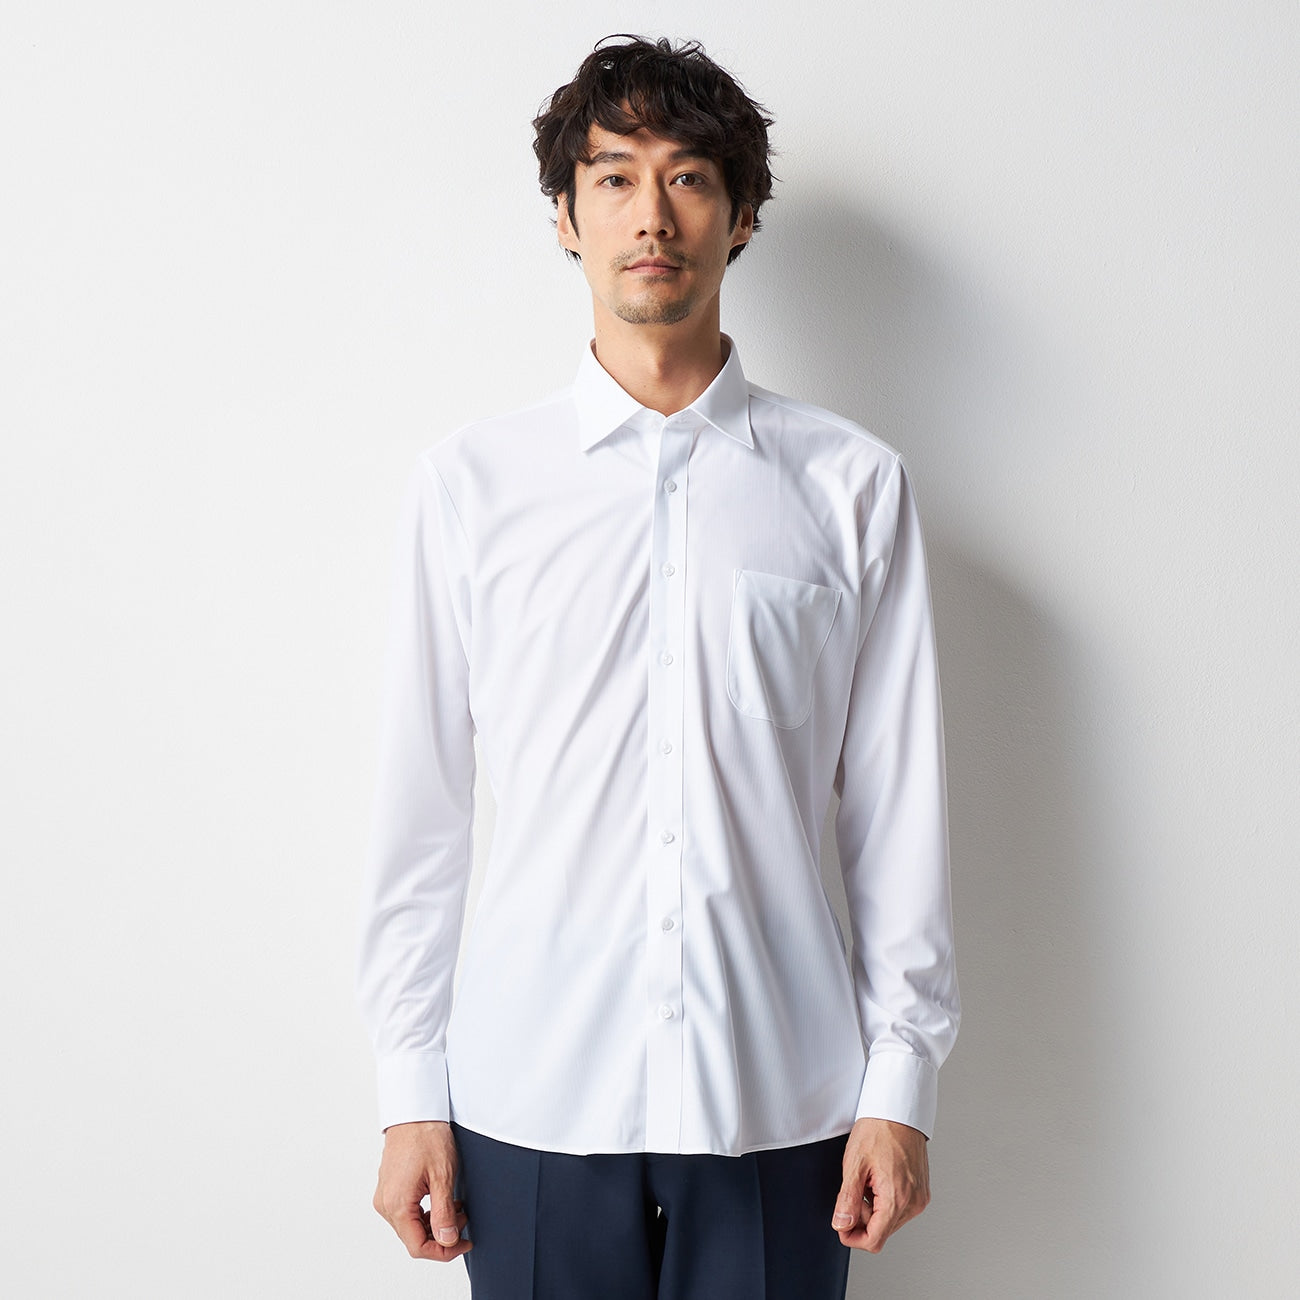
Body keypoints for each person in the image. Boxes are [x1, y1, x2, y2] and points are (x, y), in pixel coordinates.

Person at [355, 33, 960, 1300]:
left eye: (688, 177)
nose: (651, 215)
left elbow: (896, 813)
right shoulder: (471, 489)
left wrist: (899, 1084)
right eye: (614, 177)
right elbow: (422, 813)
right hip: (527, 1102)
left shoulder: (853, 489)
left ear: (740, 217)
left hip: (782, 1106)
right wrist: (410, 1091)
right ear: (565, 218)